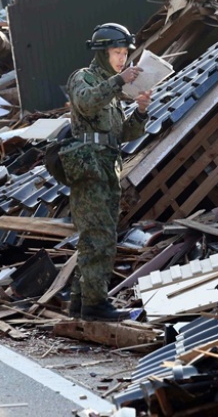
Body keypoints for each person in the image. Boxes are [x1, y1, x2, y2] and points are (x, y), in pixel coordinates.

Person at [62, 23, 152, 322]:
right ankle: (96, 305)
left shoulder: (113, 87)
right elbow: (86, 105)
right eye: (116, 52)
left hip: (106, 165)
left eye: (125, 53)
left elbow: (121, 132)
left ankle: (80, 302)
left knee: (97, 236)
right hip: (89, 168)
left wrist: (140, 111)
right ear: (102, 53)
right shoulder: (84, 78)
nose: (122, 59)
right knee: (98, 236)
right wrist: (118, 82)